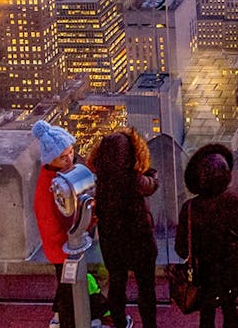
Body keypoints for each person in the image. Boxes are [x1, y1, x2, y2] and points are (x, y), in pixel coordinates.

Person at [87, 128, 159, 328]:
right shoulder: (133, 179)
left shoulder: (102, 180)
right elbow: (152, 185)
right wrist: (150, 171)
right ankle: (149, 325)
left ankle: (119, 323)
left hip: (112, 241)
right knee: (146, 288)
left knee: (117, 285)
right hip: (140, 239)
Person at [176, 144, 238, 328]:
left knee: (206, 316)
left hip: (204, 275)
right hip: (231, 271)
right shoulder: (237, 199)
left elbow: (181, 248)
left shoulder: (190, 208)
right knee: (230, 309)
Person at [32, 120, 80, 328]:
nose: (69, 158)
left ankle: (59, 316)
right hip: (62, 247)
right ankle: (64, 320)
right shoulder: (48, 187)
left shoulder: (59, 175)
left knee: (65, 284)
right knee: (67, 286)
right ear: (51, 160)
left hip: (65, 244)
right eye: (63, 156)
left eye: (71, 152)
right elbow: (49, 222)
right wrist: (69, 245)